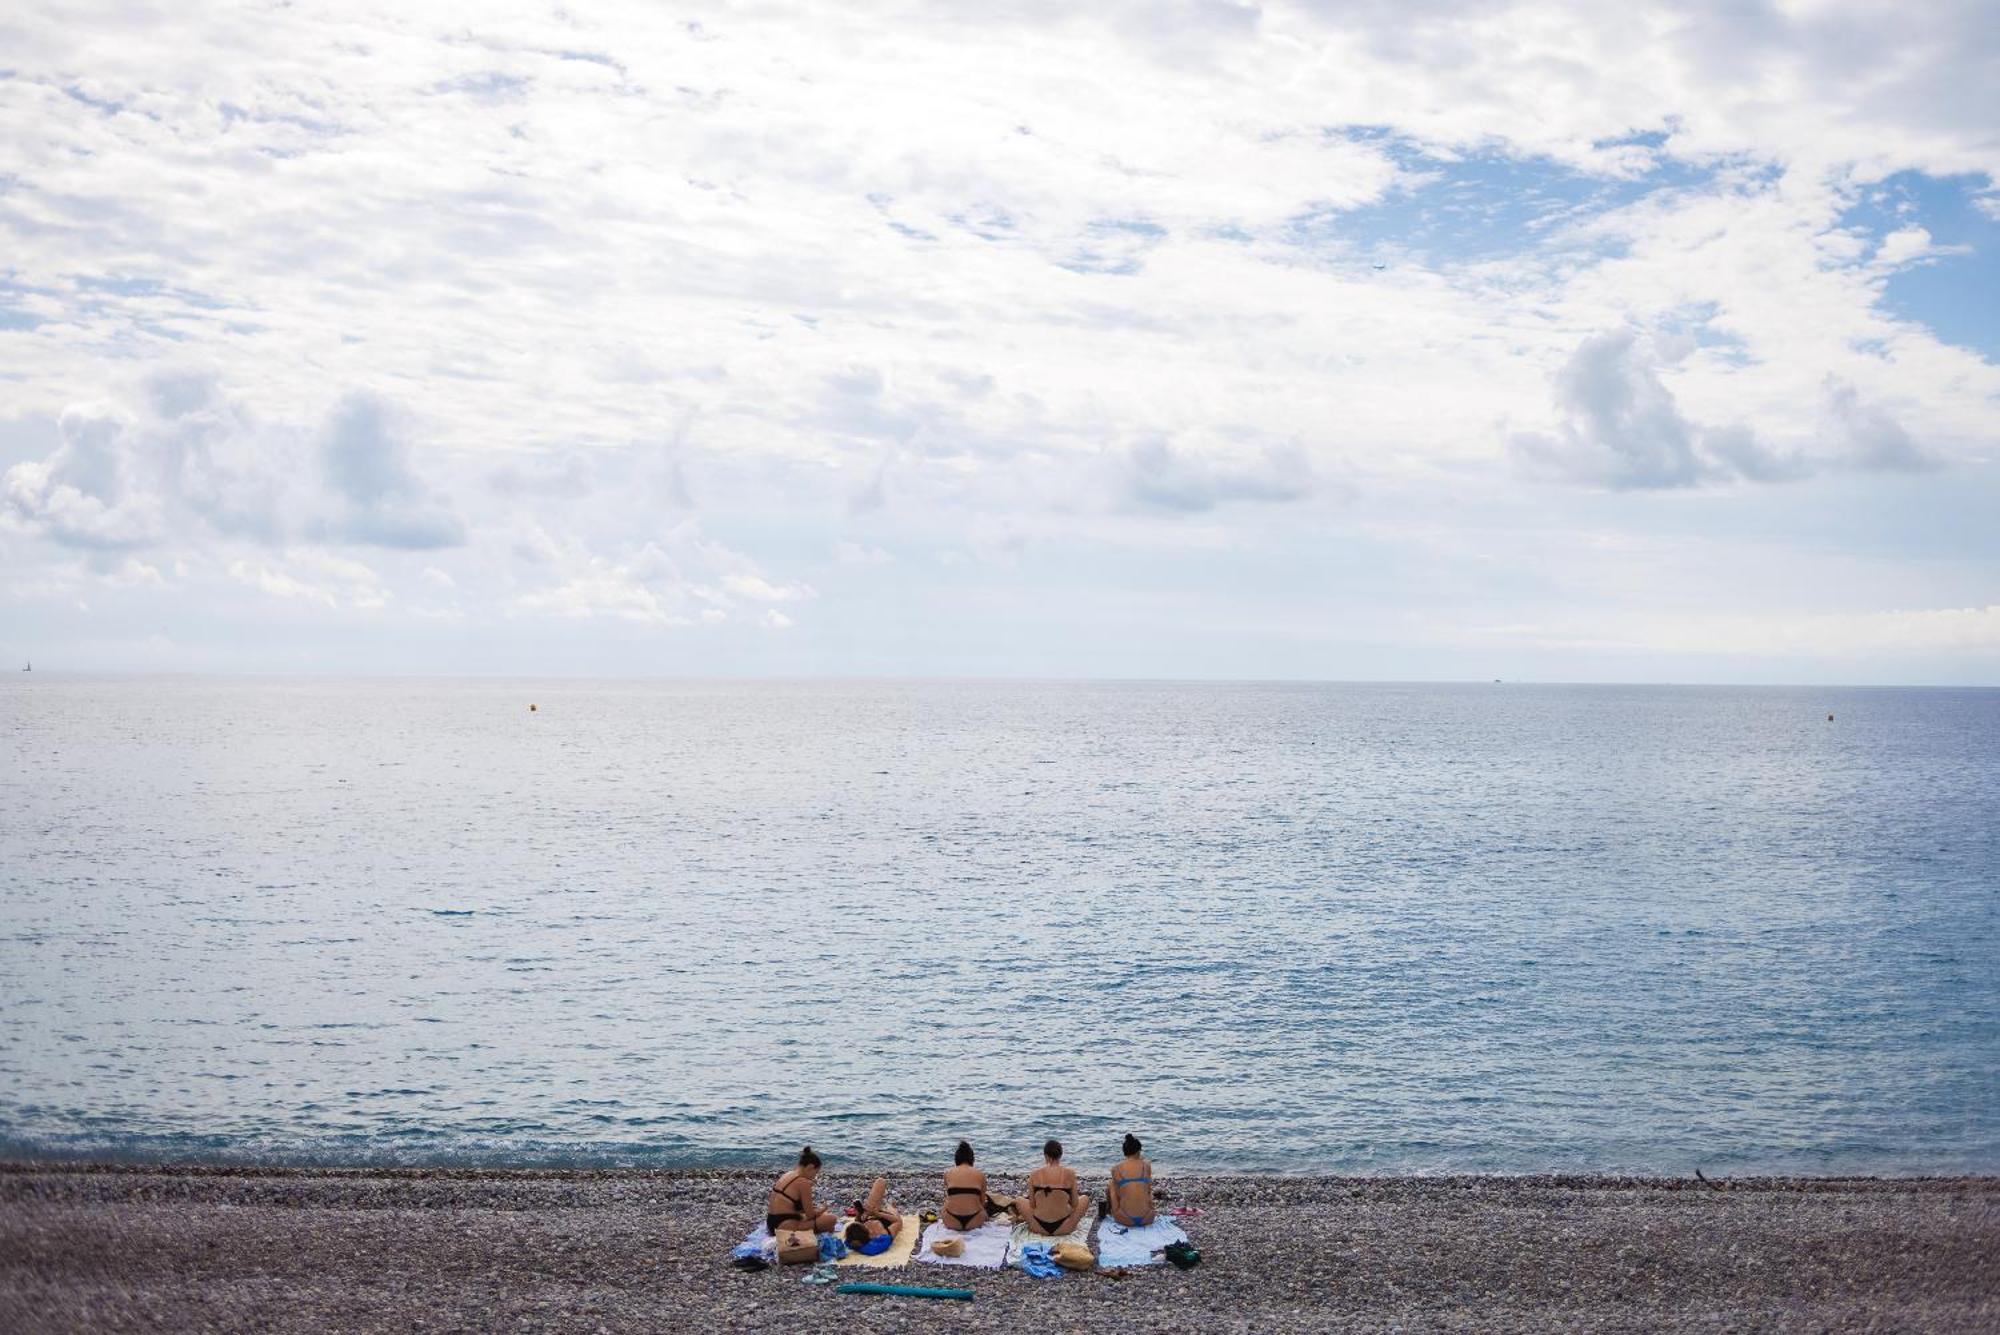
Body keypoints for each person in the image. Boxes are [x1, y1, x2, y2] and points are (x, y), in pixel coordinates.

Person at [1023, 1138, 1086, 1236]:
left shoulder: (1034, 1174)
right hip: (1064, 1227)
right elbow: (1074, 1204)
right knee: (1085, 1199)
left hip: (1039, 1226)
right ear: (1060, 1155)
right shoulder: (1070, 1174)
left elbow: (1032, 1205)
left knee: (1019, 1200)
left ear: (1045, 1156)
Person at [767, 1146, 836, 1235]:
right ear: (810, 1167)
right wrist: (823, 1208)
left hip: (772, 1222)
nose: (814, 1177)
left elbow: (794, 1206)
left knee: (821, 1217)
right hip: (783, 1226)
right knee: (831, 1219)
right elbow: (810, 1215)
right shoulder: (803, 1182)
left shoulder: (789, 1174)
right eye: (815, 1173)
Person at [842, 1176, 904, 1256]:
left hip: (869, 1215)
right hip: (888, 1219)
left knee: (880, 1181)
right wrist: (877, 1214)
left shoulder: (853, 1236)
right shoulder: (883, 1235)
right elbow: (896, 1221)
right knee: (892, 1210)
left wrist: (859, 1214)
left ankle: (875, 1209)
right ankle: (890, 1206)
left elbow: (856, 1223)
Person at [1105, 1132, 1156, 1227]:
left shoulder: (1116, 1168)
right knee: (1144, 1187)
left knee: (1111, 1183)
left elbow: (1119, 1194)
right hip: (1148, 1217)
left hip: (1125, 1219)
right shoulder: (1146, 1166)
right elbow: (1148, 1191)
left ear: (1124, 1152)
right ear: (1139, 1151)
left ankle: (1108, 1210)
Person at [941, 1140, 990, 1232]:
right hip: (975, 1220)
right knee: (983, 1210)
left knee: (946, 1204)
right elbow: (982, 1202)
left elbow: (950, 1199)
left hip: (951, 1221)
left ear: (956, 1158)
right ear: (972, 1159)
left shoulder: (948, 1173)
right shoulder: (980, 1175)